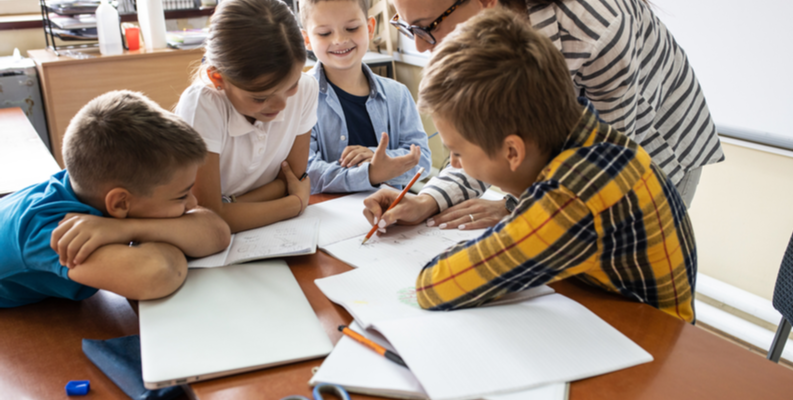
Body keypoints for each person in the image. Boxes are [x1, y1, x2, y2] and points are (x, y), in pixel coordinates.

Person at [365, 8, 697, 322]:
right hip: (606, 307)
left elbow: (433, 286)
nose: (453, 163)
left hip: (647, 345)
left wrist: (499, 238)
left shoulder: (570, 196)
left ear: (513, 152)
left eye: (458, 152)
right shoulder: (586, 132)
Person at [371, 0, 724, 231]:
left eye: (425, 26)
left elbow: (609, 165)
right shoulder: (470, 32)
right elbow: (479, 142)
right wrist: (428, 200)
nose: (419, 46)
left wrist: (515, 204)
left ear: (485, 2)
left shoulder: (596, 28)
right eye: (407, 28)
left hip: (655, 146)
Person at [0, 90, 231, 308]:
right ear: (120, 203)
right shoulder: (51, 230)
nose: (192, 203)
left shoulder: (92, 181)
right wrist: (164, 233)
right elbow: (159, 273)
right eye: (182, 196)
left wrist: (124, 228)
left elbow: (218, 233)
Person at [175, 0, 316, 233]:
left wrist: (228, 205)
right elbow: (208, 216)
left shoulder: (307, 88)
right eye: (260, 98)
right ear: (218, 79)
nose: (282, 104)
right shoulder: (203, 104)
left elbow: (290, 180)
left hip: (267, 234)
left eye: (291, 86)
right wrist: (295, 204)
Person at [300, 0, 431, 194]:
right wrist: (370, 174)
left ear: (370, 28)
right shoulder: (300, 97)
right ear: (307, 39)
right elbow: (305, 173)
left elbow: (422, 161)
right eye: (325, 33)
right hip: (328, 218)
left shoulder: (398, 94)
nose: (339, 40)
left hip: (389, 213)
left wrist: (376, 157)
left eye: (351, 28)